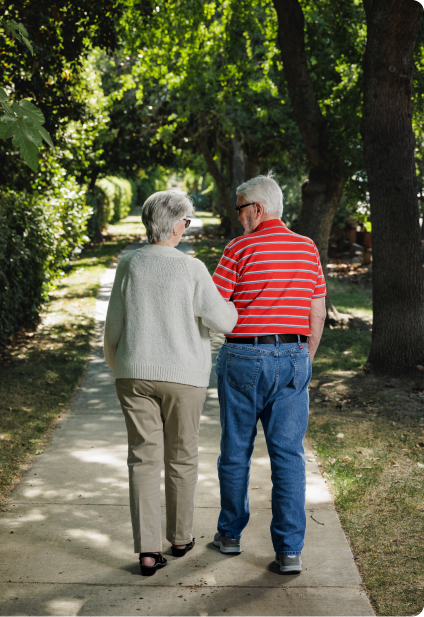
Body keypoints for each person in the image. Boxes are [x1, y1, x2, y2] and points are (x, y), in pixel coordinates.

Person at [103, 190, 238, 576]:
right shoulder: (192, 269)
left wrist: (121, 366)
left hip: (133, 374)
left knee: (142, 459)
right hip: (184, 378)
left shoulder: (128, 264)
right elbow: (225, 322)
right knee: (182, 457)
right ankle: (179, 538)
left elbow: (113, 325)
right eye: (187, 221)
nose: (186, 227)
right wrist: (231, 304)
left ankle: (147, 552)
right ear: (177, 224)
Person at [212, 172, 326, 573]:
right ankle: (289, 551)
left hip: (244, 357)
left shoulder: (238, 248)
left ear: (257, 209)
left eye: (241, 209)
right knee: (289, 457)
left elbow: (215, 306)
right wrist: (303, 356)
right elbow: (317, 311)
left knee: (236, 451)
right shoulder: (307, 247)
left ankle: (229, 535)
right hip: (294, 356)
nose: (239, 216)